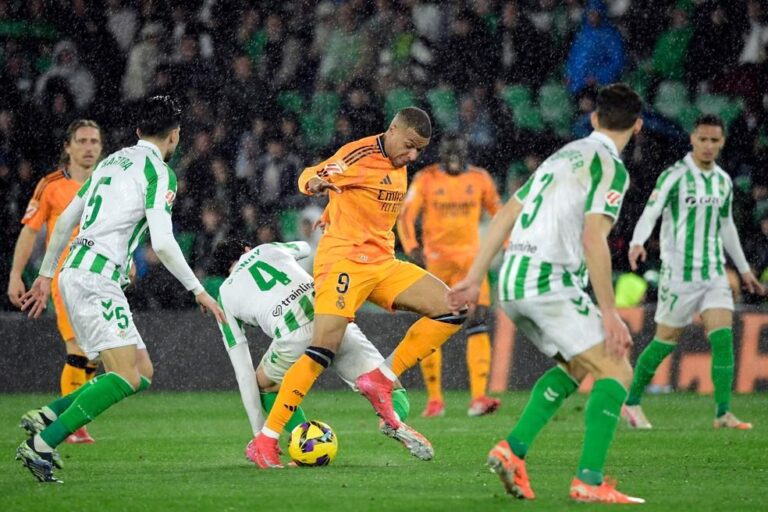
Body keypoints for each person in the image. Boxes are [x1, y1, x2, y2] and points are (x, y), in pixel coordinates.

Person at [448, 83, 645, 503]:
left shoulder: (562, 156)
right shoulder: (611, 167)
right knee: (618, 370)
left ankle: (512, 450)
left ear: (594, 119)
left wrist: (472, 277)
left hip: (513, 280)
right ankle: (588, 482)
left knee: (577, 365)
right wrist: (609, 312)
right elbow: (595, 238)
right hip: (548, 280)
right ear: (638, 126)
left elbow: (504, 215)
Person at [15, 96, 224, 483]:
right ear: (175, 136)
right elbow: (162, 242)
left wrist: (45, 275)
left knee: (141, 371)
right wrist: (198, 289)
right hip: (95, 280)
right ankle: (42, 445)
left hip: (78, 272)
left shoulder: (111, 160)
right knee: (125, 376)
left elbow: (64, 222)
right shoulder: (159, 173)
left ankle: (50, 415)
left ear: (138, 131)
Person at [249, 107, 468, 469]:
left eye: (419, 151)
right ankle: (266, 441)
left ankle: (382, 378)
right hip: (343, 262)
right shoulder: (359, 154)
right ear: (393, 129)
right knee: (323, 347)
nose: (412, 156)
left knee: (453, 308)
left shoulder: (399, 163)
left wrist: (336, 208)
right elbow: (311, 175)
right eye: (409, 146)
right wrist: (318, 185)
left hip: (382, 263)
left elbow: (363, 201)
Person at [212, 238, 432, 462]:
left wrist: (257, 431)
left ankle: (304, 439)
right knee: (388, 386)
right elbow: (306, 247)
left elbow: (243, 371)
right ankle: (392, 419)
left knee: (264, 384)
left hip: (293, 335)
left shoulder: (224, 296)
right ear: (247, 248)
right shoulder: (269, 248)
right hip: (331, 320)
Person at [623, 115, 765, 430]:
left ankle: (723, 413)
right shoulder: (675, 176)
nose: (709, 146)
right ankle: (631, 401)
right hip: (679, 275)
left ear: (723, 142)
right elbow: (652, 211)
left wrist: (743, 270)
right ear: (692, 139)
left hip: (714, 272)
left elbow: (726, 226)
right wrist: (637, 241)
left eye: (715, 140)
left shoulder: (723, 181)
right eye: (703, 139)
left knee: (724, 337)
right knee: (665, 340)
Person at [7, 119, 103, 444]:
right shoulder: (51, 185)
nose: (89, 147)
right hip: (65, 280)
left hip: (102, 278)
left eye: (94, 141)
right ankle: (72, 424)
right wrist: (16, 274)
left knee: (94, 355)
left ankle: (71, 418)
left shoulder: (108, 183)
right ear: (68, 147)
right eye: (82, 141)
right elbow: (30, 230)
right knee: (77, 348)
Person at [397, 134, 502, 417]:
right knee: (434, 322)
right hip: (437, 263)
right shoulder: (426, 179)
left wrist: (505, 246)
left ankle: (479, 398)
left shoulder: (480, 179)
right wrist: (412, 247)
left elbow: (499, 213)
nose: (454, 155)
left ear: (466, 152)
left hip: (471, 263)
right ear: (441, 154)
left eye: (458, 150)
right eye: (448, 150)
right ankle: (434, 401)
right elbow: (406, 216)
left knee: (477, 319)